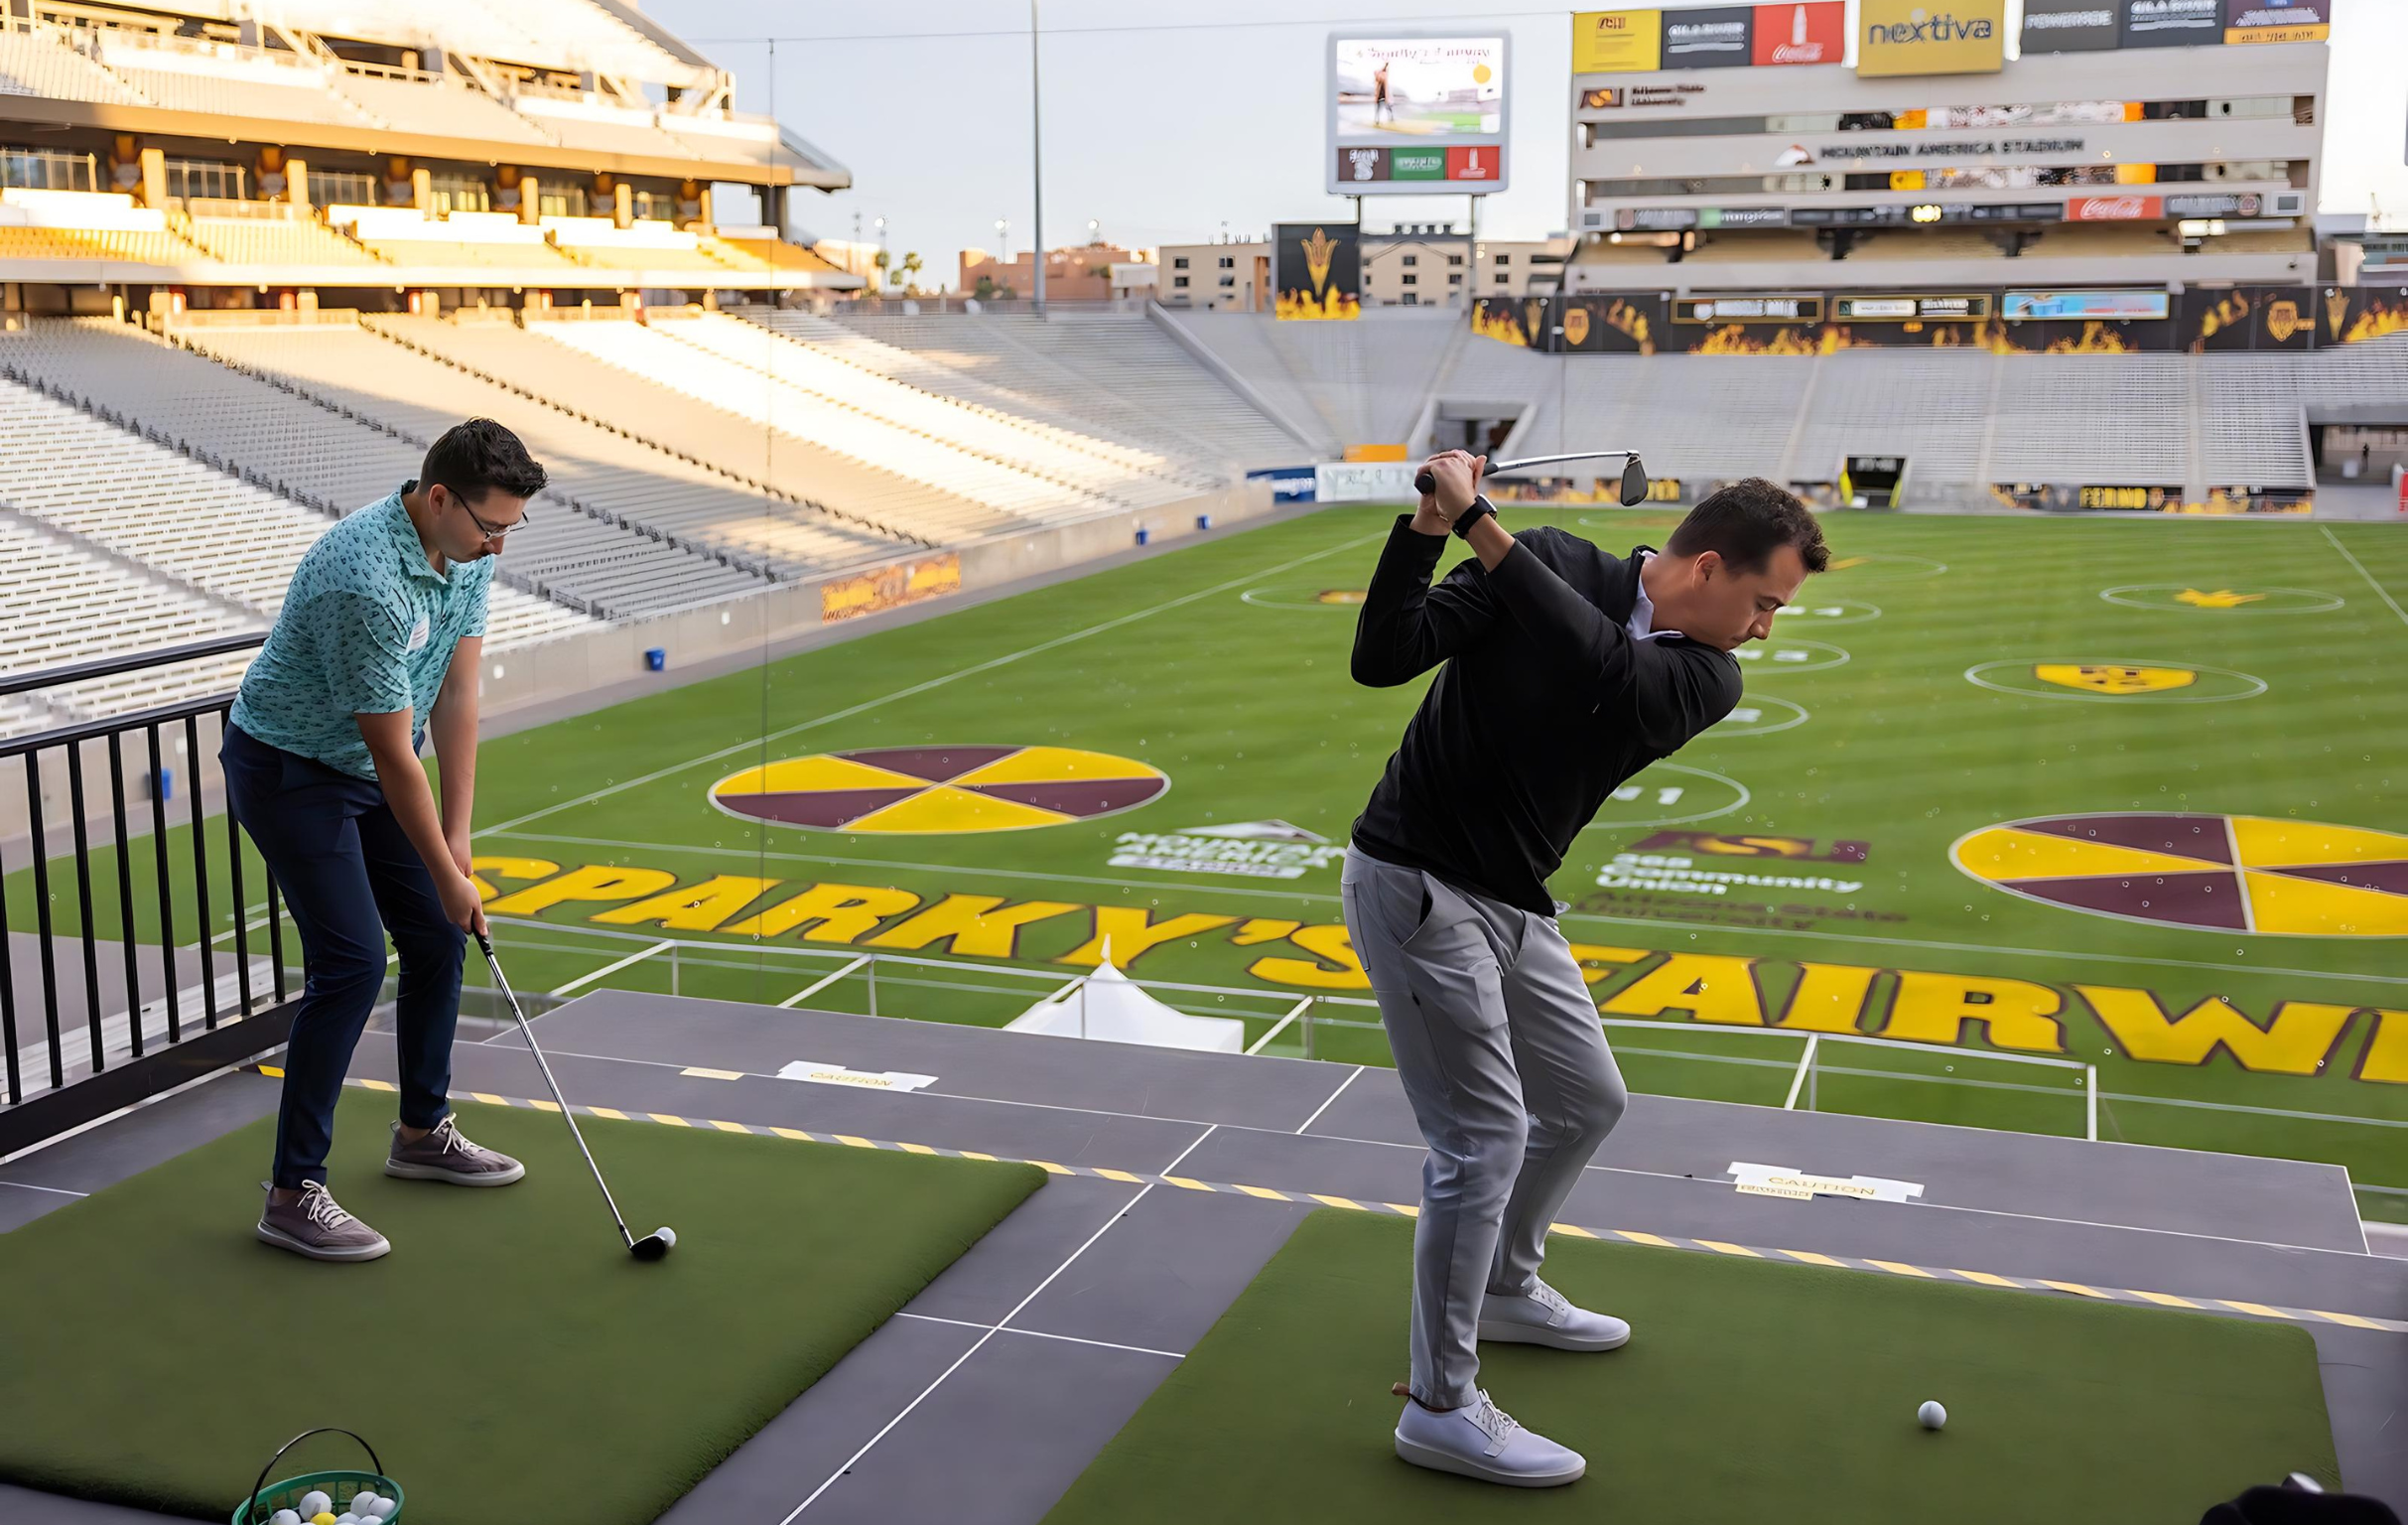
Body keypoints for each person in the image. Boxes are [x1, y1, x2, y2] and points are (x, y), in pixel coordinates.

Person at [1343, 453, 1826, 1485]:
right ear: (1704, 568)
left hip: (1512, 896)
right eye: (1761, 603)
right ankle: (1438, 1405)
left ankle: (1508, 1289)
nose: (1762, 630)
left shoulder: (1704, 677)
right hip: (1415, 882)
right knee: (1479, 1141)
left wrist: (1482, 524)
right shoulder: (1554, 558)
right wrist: (1431, 528)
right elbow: (1384, 656)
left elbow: (1598, 668)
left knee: (1584, 1103)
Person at [223, 419, 549, 1262]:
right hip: (290, 770)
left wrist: (459, 840)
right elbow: (391, 750)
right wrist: (444, 872)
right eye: (490, 526)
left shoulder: (463, 553)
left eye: (511, 527)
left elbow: (457, 696)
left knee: (439, 934)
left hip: (366, 765)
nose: (500, 546)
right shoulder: (362, 579)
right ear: (438, 499)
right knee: (354, 962)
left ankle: (420, 1131)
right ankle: (293, 1193)